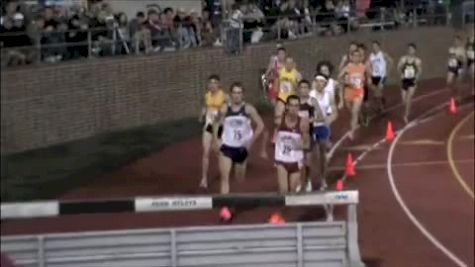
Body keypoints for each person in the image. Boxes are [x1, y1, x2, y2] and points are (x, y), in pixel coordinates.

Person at [217, 82, 265, 195]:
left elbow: (260, 125)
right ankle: (225, 206)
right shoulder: (224, 109)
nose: (237, 95)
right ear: (230, 94)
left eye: (239, 92)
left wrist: (250, 141)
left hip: (241, 148)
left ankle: (234, 200)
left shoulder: (248, 109)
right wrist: (218, 140)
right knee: (225, 178)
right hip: (227, 146)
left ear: (243, 94)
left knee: (239, 179)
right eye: (234, 92)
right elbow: (219, 125)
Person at [274, 95, 311, 193]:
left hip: (295, 160)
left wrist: (295, 145)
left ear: (299, 108)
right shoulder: (279, 121)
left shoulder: (303, 123)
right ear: (286, 107)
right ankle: (281, 207)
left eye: (296, 106)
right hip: (281, 159)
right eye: (291, 105)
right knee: (283, 191)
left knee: (292, 192)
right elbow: (273, 137)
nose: (293, 109)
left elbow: (307, 144)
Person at [199, 75, 228, 188]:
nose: (212, 85)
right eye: (210, 83)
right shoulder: (206, 96)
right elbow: (204, 107)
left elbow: (226, 110)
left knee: (219, 152)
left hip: (219, 127)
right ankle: (204, 179)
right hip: (209, 126)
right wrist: (201, 115)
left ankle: (224, 174)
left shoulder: (224, 96)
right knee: (206, 152)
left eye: (215, 82)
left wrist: (220, 114)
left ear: (219, 84)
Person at [310, 75, 338, 190]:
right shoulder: (310, 95)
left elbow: (334, 113)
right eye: (317, 81)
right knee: (311, 156)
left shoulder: (329, 96)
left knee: (323, 155)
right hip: (311, 127)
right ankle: (308, 180)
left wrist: (328, 120)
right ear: (314, 82)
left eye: (322, 82)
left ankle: (323, 179)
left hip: (322, 127)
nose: (319, 83)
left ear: (325, 84)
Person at [338, 49, 369, 140]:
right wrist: (346, 82)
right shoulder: (348, 67)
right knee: (351, 110)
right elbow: (339, 77)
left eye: (358, 56)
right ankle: (360, 116)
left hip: (359, 92)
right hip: (349, 92)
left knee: (354, 112)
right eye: (354, 56)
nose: (356, 58)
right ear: (351, 57)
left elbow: (368, 76)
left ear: (360, 57)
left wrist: (366, 80)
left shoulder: (363, 67)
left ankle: (352, 132)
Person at [273, 56, 302, 141]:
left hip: (292, 99)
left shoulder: (297, 74)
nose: (289, 65)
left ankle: (293, 133)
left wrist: (294, 83)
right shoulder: (280, 72)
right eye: (287, 63)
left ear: (293, 64)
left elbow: (299, 89)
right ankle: (276, 135)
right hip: (282, 97)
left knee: (292, 117)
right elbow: (276, 85)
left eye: (291, 63)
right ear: (284, 63)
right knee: (278, 117)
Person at [297, 80, 315, 192]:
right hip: (297, 135)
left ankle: (308, 181)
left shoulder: (312, 103)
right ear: (298, 89)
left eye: (306, 87)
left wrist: (307, 121)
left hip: (308, 134)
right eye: (302, 87)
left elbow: (316, 117)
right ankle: (299, 182)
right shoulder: (294, 103)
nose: (304, 89)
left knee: (307, 160)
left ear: (309, 89)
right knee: (298, 161)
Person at [397, 43, 422, 124]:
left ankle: (406, 115)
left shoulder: (417, 60)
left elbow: (419, 71)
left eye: (412, 49)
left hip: (412, 81)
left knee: (409, 98)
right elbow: (399, 67)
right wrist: (401, 74)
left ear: (415, 51)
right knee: (404, 100)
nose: (410, 51)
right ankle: (408, 109)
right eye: (409, 49)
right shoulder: (403, 59)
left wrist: (416, 78)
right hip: (404, 80)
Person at [367, 41, 393, 112]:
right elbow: (368, 65)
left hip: (382, 76)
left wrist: (387, 72)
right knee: (375, 91)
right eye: (373, 46)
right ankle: (382, 100)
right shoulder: (371, 55)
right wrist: (369, 75)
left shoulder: (383, 54)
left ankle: (382, 108)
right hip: (374, 75)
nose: (374, 47)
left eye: (376, 46)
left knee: (378, 91)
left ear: (379, 46)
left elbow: (391, 61)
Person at [446, 36, 466, 101]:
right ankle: (454, 90)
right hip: (451, 66)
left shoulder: (462, 50)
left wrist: (457, 57)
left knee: (458, 82)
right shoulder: (451, 49)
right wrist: (447, 64)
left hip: (459, 66)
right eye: (454, 41)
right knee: (449, 82)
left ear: (460, 42)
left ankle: (459, 95)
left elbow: (464, 60)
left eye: (457, 41)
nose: (456, 42)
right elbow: (449, 57)